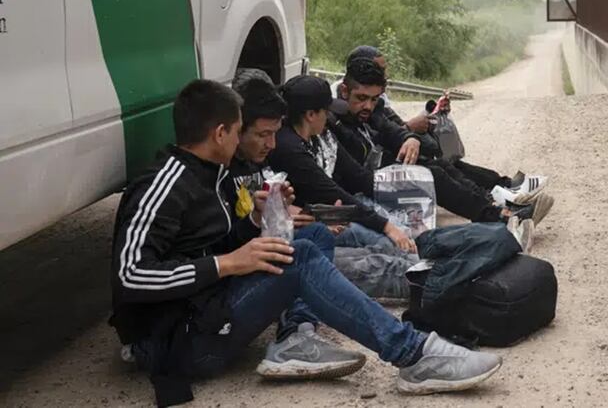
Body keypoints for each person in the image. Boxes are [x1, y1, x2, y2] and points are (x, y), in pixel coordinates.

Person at [109, 79, 502, 406]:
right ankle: (412, 354)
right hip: (179, 342)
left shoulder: (213, 175)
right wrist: (229, 263)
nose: (265, 142)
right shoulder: (164, 186)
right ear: (221, 133)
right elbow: (130, 278)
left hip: (206, 308)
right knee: (303, 258)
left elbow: (206, 241)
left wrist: (256, 221)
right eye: (245, 129)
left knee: (309, 235)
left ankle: (297, 335)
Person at [232, 74, 416, 301]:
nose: (271, 143)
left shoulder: (315, 138)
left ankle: (438, 268)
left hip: (307, 231)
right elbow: (330, 192)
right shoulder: (283, 149)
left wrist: (292, 214)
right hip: (285, 250)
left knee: (382, 248)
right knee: (379, 264)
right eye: (264, 134)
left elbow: (356, 176)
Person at [330, 59, 553, 226]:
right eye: (361, 98)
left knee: (439, 165)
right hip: (359, 191)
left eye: (374, 99)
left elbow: (391, 129)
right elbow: (356, 176)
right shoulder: (333, 122)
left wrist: (409, 139)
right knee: (430, 176)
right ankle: (500, 217)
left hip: (378, 174)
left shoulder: (370, 110)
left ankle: (496, 204)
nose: (368, 106)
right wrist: (407, 173)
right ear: (344, 91)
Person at [345, 45, 530, 196]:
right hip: (375, 168)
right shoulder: (346, 100)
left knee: (444, 161)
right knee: (435, 170)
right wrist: (409, 128)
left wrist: (422, 123)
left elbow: (389, 126)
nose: (384, 76)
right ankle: (492, 203)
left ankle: (500, 188)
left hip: (391, 153)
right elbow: (373, 137)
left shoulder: (374, 96)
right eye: (380, 70)